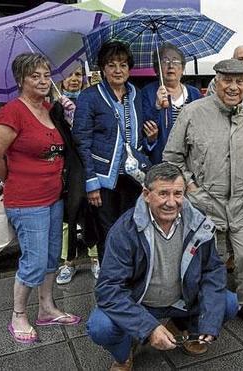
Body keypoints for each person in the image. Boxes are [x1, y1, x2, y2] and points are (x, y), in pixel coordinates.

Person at [87, 163, 238, 369]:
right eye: (163, 193)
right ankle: (123, 355)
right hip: (139, 302)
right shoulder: (124, 230)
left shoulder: (198, 223)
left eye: (178, 193)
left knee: (228, 304)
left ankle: (180, 328)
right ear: (147, 194)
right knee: (100, 326)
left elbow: (212, 270)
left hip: (181, 300)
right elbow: (108, 290)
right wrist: (148, 327)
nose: (171, 202)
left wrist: (209, 321)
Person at [0, 53, 82, 345]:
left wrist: (68, 114)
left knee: (52, 256)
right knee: (35, 261)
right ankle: (18, 315)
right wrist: (11, 178)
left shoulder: (50, 109)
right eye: (34, 75)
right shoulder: (12, 112)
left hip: (53, 197)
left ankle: (47, 309)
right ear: (20, 79)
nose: (42, 80)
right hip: (27, 202)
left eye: (45, 74)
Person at [164, 59, 243, 327]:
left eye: (240, 81)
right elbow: (172, 156)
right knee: (214, 256)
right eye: (228, 80)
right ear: (216, 80)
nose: (234, 87)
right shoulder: (192, 112)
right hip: (205, 199)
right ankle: (211, 304)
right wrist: (190, 186)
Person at [72, 41, 151, 269]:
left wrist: (151, 138)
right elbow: (81, 141)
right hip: (104, 180)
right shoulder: (90, 96)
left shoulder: (135, 94)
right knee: (108, 234)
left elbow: (138, 137)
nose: (118, 70)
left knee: (132, 228)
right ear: (103, 69)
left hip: (133, 178)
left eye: (123, 65)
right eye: (112, 65)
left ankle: (130, 278)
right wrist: (91, 183)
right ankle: (111, 286)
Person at [52, 65, 100, 285]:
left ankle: (95, 258)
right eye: (68, 75)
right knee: (67, 217)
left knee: (92, 213)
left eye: (78, 74)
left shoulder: (90, 103)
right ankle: (68, 262)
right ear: (60, 80)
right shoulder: (54, 108)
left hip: (89, 167)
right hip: (65, 170)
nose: (73, 79)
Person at [141, 43, 202, 164]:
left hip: (189, 160)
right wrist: (157, 106)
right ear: (157, 69)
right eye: (165, 61)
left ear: (183, 68)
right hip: (160, 160)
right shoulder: (148, 92)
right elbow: (146, 127)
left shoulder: (194, 94)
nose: (170, 65)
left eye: (175, 61)